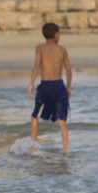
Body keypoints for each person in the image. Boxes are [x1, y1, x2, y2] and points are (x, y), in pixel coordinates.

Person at [28, 22, 72, 153]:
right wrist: (68, 87)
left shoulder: (40, 48)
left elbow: (36, 65)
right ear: (56, 34)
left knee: (35, 116)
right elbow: (68, 70)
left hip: (45, 86)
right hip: (59, 86)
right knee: (61, 119)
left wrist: (31, 83)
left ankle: (33, 146)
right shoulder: (62, 50)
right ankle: (66, 150)